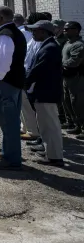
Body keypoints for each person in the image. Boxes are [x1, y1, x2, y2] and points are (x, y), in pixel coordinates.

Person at [0, 6, 28, 171]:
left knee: (9, 122)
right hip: (12, 83)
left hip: (5, 84)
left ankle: (12, 159)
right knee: (8, 120)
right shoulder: (13, 33)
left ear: (1, 18)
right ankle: (7, 152)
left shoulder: (5, 35)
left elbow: (2, 63)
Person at [25, 21, 64, 165]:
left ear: (44, 32)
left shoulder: (50, 48)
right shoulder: (47, 46)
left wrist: (25, 82)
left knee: (50, 126)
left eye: (36, 31)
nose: (33, 33)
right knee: (45, 125)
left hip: (47, 92)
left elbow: (38, 70)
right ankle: (50, 152)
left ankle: (55, 157)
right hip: (44, 92)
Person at [21, 12, 51, 142]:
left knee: (33, 108)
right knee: (25, 106)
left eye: (29, 21)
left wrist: (29, 79)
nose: (26, 23)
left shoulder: (41, 42)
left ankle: (35, 132)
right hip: (26, 75)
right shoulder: (34, 39)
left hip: (33, 78)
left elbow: (35, 62)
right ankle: (28, 128)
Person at [62, 21, 84, 139]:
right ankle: (76, 125)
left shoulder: (79, 45)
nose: (64, 31)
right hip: (67, 77)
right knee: (67, 101)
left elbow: (74, 62)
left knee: (78, 102)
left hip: (76, 77)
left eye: (67, 29)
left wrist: (60, 65)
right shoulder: (68, 43)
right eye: (64, 29)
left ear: (76, 30)